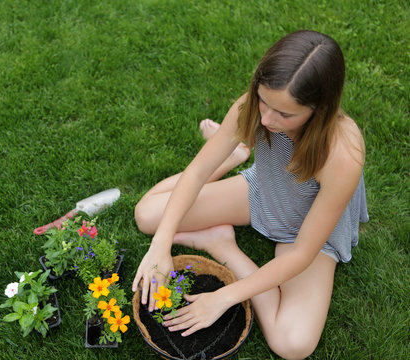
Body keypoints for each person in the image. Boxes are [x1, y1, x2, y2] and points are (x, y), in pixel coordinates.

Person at [132, 30, 368, 359]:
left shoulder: (343, 155)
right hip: (262, 192)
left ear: (321, 110)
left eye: (285, 115)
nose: (268, 119)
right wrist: (161, 244)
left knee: (292, 344)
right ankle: (232, 157)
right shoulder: (253, 107)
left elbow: (301, 255)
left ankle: (222, 244)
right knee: (147, 216)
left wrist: (225, 296)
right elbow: (197, 172)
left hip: (308, 232)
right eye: (264, 102)